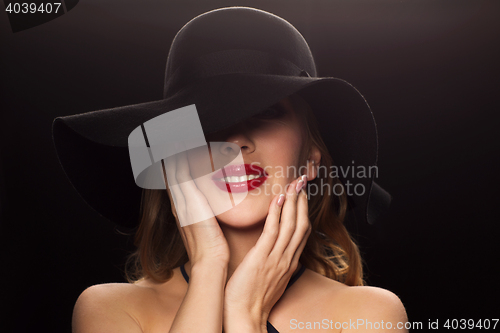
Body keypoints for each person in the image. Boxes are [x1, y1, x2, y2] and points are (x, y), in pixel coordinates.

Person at [53, 7, 408, 333]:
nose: (236, 141)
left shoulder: (369, 316)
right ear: (173, 154)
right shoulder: (111, 310)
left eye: (268, 112)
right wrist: (209, 268)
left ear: (312, 157)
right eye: (207, 120)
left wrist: (244, 313)